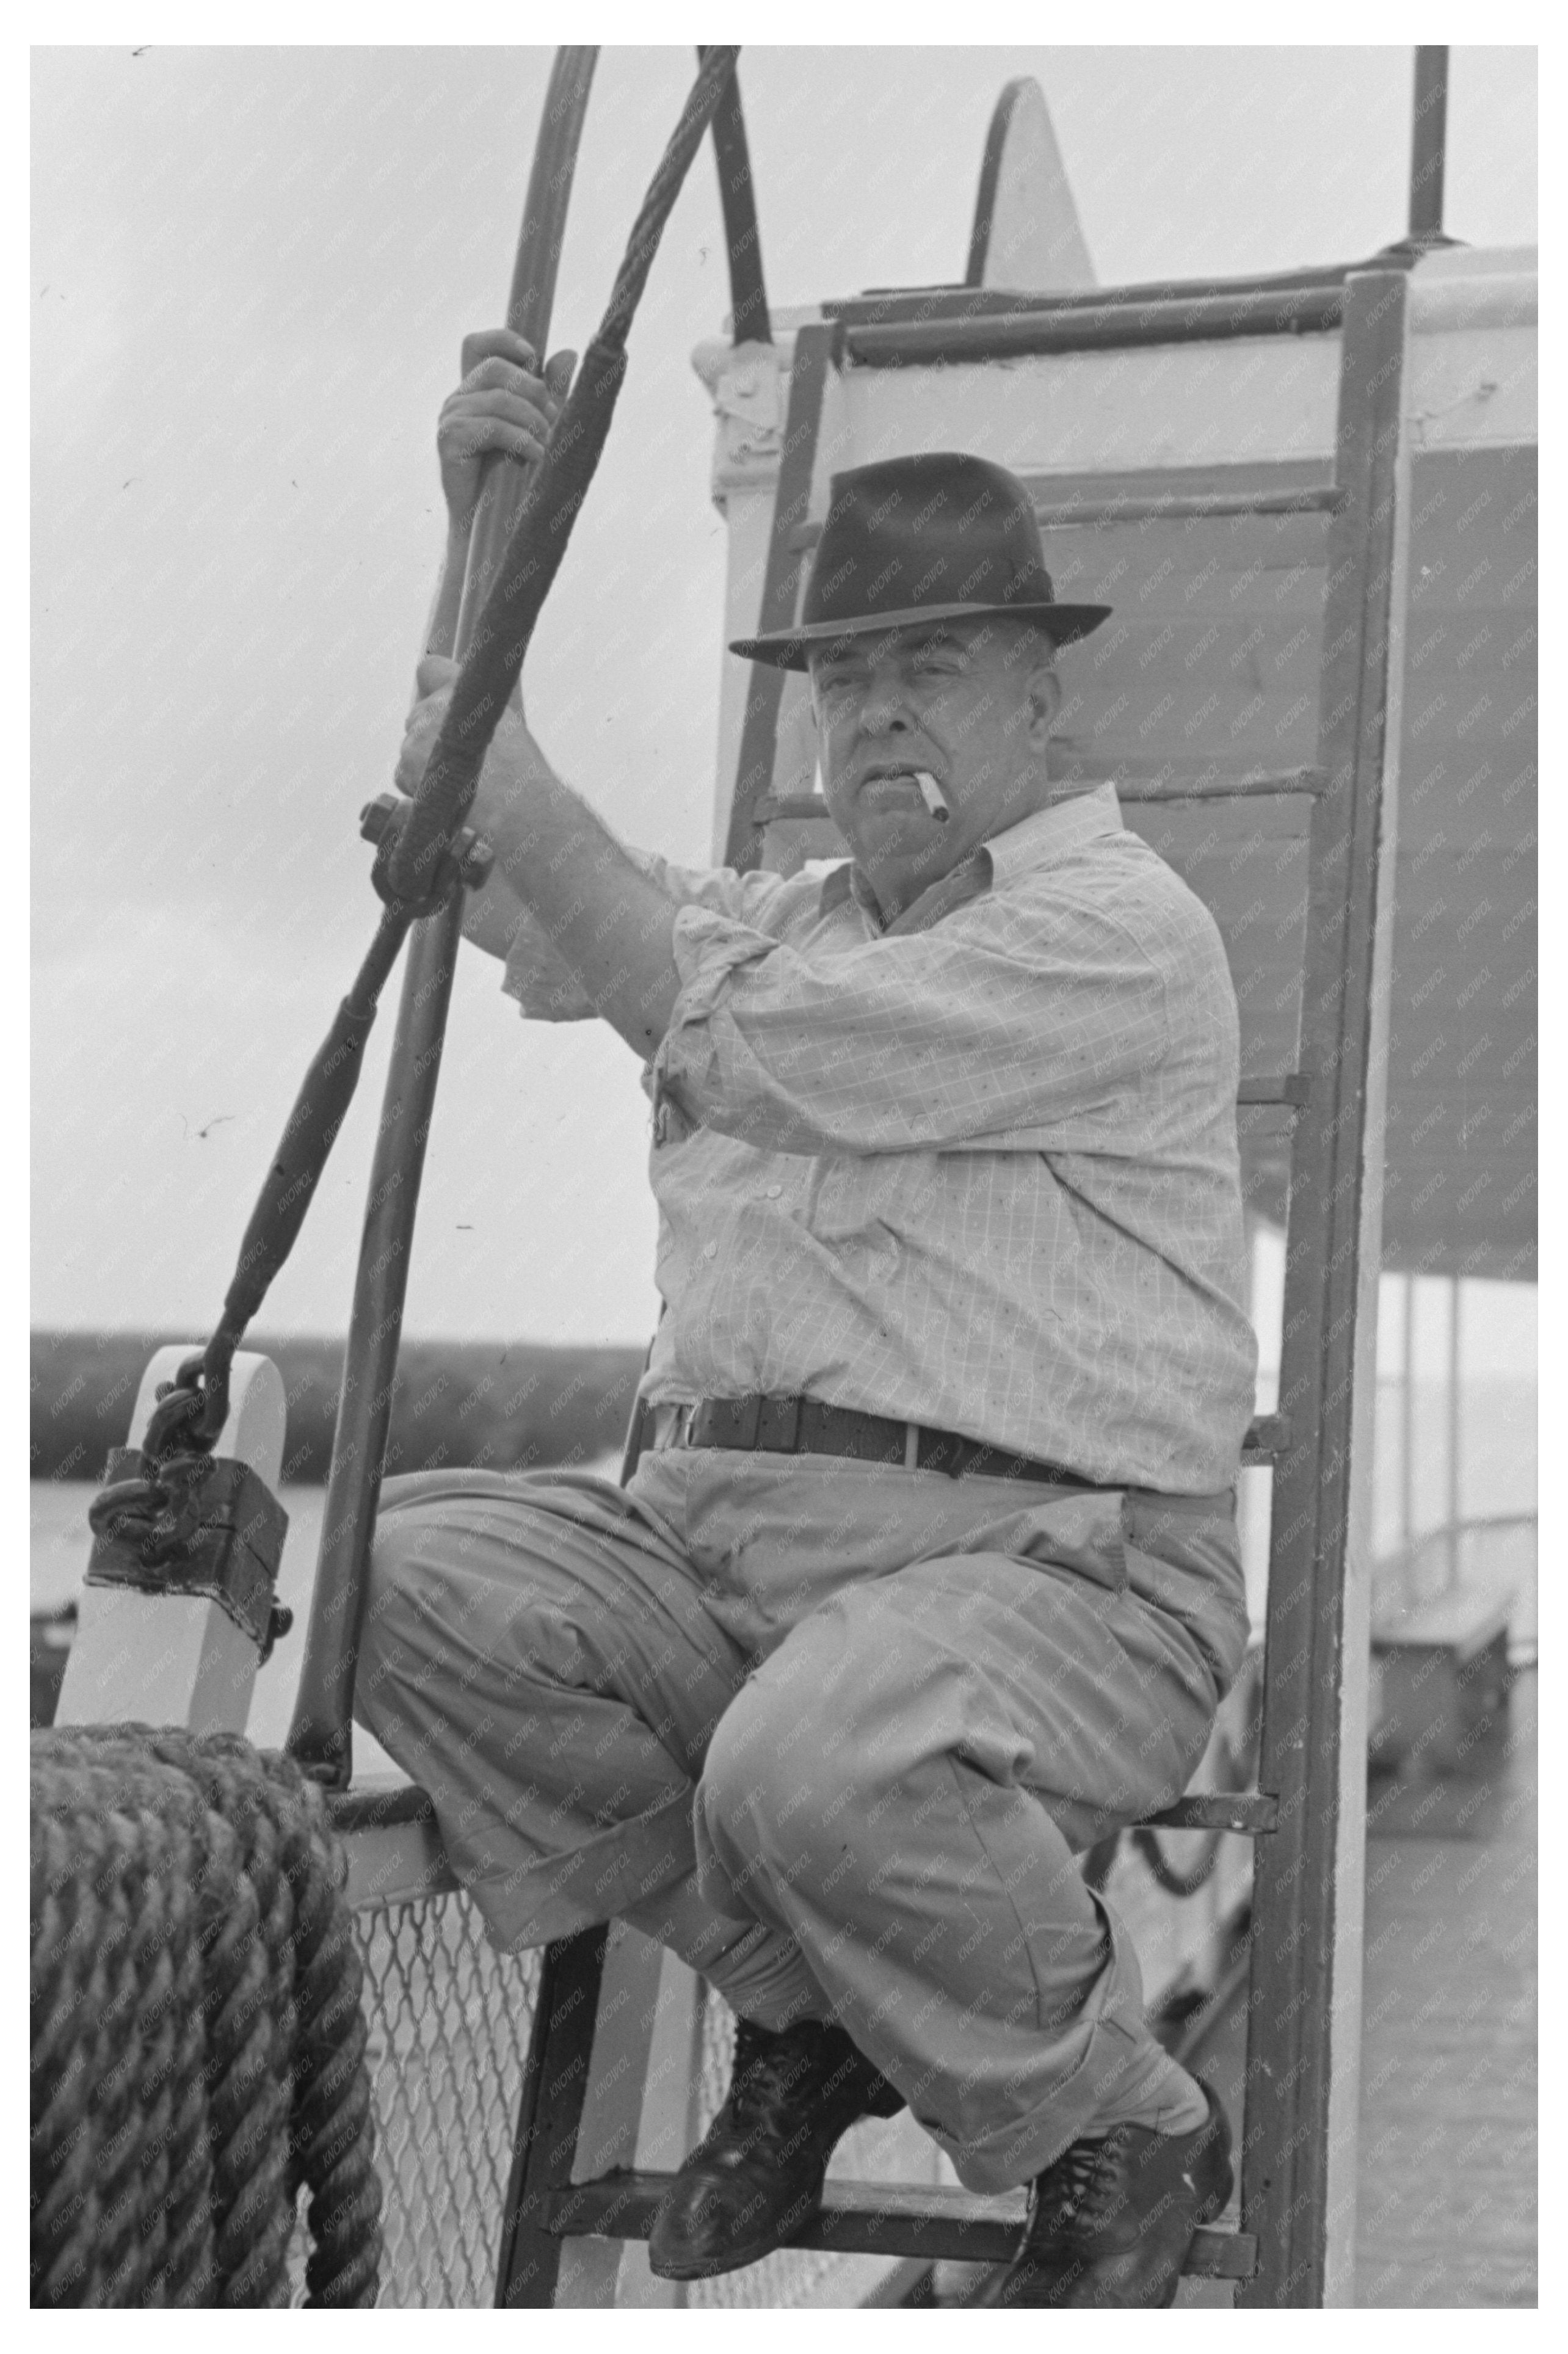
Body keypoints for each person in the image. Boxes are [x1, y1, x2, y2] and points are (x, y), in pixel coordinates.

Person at [355, 329, 1259, 2308]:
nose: (874, 715)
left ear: (1042, 694)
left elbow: (724, 1026)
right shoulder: (778, 920)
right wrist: (472, 547)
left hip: (1060, 1578)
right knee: (392, 1575)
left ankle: (1121, 2115)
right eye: (846, 679)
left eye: (926, 666)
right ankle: (812, 2009)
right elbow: (479, 854)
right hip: (728, 1565)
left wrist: (524, 794)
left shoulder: (1114, 934)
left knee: (812, 1755)